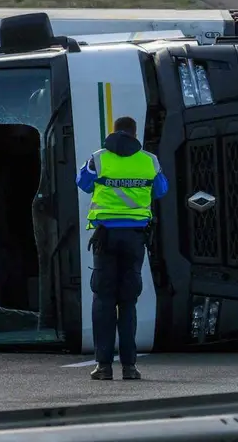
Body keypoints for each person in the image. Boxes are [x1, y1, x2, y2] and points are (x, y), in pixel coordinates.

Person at [76, 115, 168, 380]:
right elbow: (161, 190)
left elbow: (82, 183)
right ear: (135, 133)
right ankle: (130, 367)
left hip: (105, 238)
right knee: (128, 302)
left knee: (103, 299)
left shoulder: (99, 158)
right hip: (135, 238)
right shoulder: (149, 161)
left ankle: (103, 366)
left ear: (114, 132)